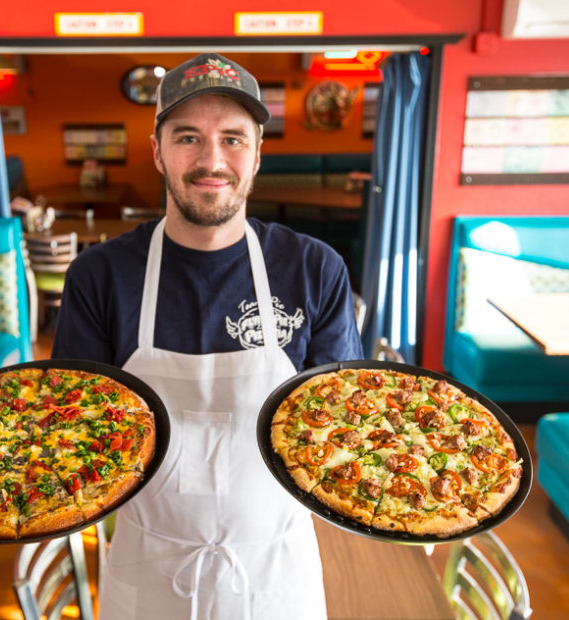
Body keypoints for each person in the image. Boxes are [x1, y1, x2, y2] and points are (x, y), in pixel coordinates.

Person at [52, 52, 363, 620]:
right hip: (149, 568)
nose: (211, 159)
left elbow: (343, 427)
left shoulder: (314, 269)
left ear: (258, 153)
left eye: (233, 139)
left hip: (276, 570)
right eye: (188, 137)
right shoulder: (100, 276)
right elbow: (73, 432)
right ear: (157, 151)